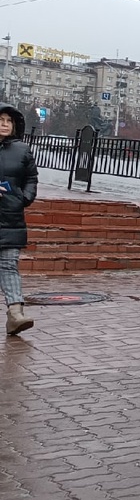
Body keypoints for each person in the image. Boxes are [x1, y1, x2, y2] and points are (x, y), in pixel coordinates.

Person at [0, 104, 38, 336]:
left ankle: (15, 314)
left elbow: (31, 178)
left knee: (8, 265)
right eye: (0, 119)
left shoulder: (22, 150)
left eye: (8, 121)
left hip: (11, 217)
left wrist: (24, 198)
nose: (4, 124)